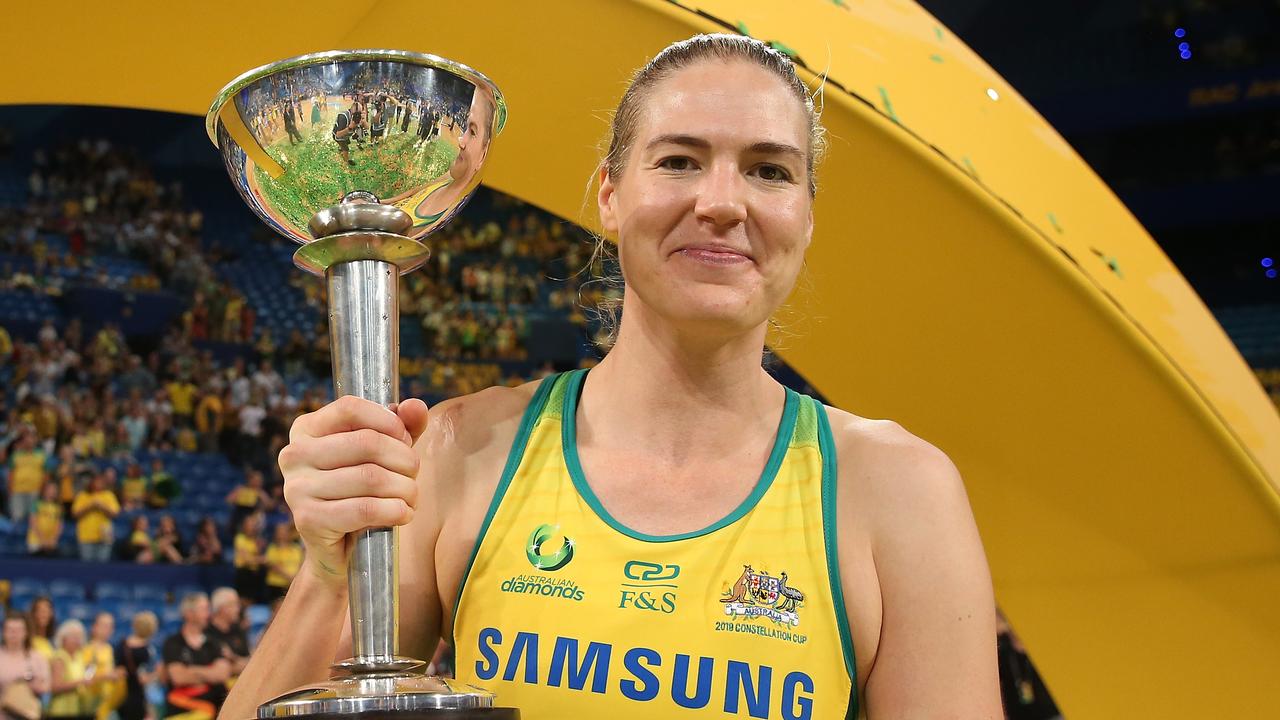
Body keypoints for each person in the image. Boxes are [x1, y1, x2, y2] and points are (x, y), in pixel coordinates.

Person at [223, 34, 999, 719]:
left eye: (768, 171)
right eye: (679, 160)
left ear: (806, 216)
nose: (722, 201)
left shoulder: (901, 495)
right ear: (610, 194)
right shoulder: (465, 449)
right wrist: (331, 573)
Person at [160, 593, 229, 719]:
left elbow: (222, 674)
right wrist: (210, 672)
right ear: (189, 614)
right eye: (204, 609)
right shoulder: (173, 643)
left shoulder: (213, 642)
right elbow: (179, 678)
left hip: (217, 707)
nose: (209, 614)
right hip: (184, 708)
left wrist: (191, 671)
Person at [0, 612, 51, 720]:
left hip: (28, 714)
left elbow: (47, 687)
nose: (14, 634)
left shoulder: (37, 658)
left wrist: (36, 686)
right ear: (3, 632)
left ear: (26, 632)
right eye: (10, 630)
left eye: (18, 630)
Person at [111, 611, 158, 720]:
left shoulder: (121, 645)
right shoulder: (146, 651)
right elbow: (143, 679)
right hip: (137, 698)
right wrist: (157, 674)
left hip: (120, 696)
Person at [48, 619, 92, 720]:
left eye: (80, 637)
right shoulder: (59, 657)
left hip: (77, 708)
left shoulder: (79, 656)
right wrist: (80, 682)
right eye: (74, 637)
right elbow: (55, 686)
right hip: (61, 710)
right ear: (63, 638)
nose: (77, 641)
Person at [71, 472, 119, 562]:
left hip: (104, 536)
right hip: (86, 537)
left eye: (101, 482)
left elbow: (114, 514)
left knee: (102, 568)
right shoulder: (82, 496)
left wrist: (101, 506)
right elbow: (75, 514)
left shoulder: (109, 495)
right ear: (91, 482)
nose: (98, 484)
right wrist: (90, 506)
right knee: (87, 567)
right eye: (96, 482)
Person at [204, 589, 249, 680]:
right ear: (222, 608)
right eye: (235, 605)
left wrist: (233, 658)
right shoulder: (206, 632)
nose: (238, 609)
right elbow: (218, 671)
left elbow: (250, 661)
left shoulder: (238, 629)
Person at [262, 522, 302, 603]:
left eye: (284, 531)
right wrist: (291, 578)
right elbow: (273, 566)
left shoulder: (297, 549)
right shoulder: (272, 548)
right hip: (276, 586)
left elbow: (301, 565)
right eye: (279, 531)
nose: (282, 534)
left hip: (294, 586)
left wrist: (295, 579)